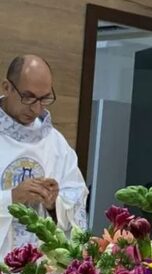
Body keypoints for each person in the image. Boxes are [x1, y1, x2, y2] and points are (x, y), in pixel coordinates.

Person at [0, 55, 87, 256]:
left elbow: (76, 201)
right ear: (7, 87)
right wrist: (11, 198)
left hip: (38, 272)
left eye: (45, 99)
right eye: (28, 97)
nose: (36, 108)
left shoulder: (56, 144)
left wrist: (54, 204)